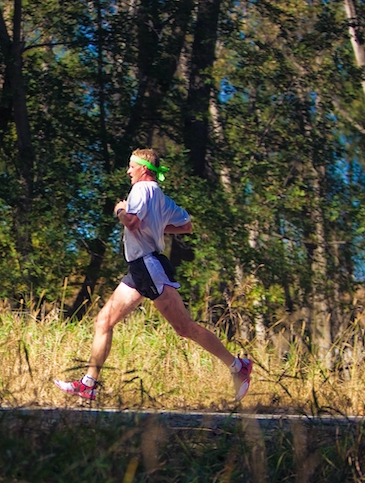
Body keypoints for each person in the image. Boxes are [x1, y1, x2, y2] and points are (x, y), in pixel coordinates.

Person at [54, 148, 253, 402]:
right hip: (139, 269)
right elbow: (187, 225)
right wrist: (157, 227)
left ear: (143, 169)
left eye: (131, 167)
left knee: (184, 327)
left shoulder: (140, 190)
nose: (128, 171)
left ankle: (239, 367)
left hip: (148, 265)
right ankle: (88, 384)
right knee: (103, 322)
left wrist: (119, 210)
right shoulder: (160, 196)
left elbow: (131, 222)